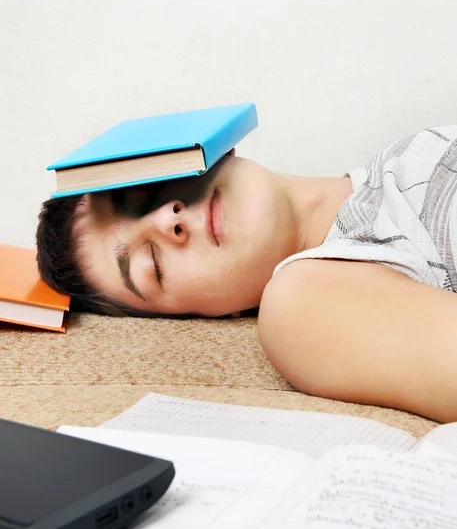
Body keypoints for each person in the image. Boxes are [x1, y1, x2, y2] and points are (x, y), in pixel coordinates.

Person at [36, 126, 457, 423]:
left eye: (152, 192)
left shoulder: (405, 154)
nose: (169, 218)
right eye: (154, 265)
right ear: (213, 317)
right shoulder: (305, 299)